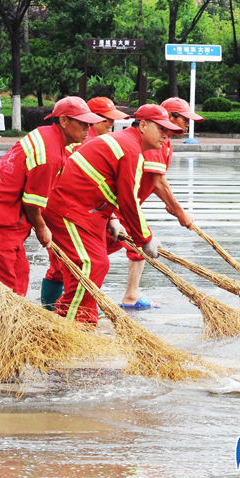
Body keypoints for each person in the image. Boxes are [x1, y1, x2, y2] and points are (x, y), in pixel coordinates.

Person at [0, 96, 104, 346]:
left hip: (10, 222)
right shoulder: (49, 153)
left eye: (89, 123)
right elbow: (32, 203)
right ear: (63, 121)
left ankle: (9, 332)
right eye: (82, 123)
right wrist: (42, 229)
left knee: (19, 276)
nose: (87, 129)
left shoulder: (48, 136)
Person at [42, 104, 183, 326]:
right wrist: (145, 239)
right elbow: (129, 200)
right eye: (161, 129)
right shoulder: (130, 150)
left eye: (168, 130)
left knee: (95, 264)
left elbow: (106, 187)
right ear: (143, 125)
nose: (166, 135)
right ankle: (68, 324)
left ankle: (83, 318)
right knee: (90, 263)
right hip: (68, 208)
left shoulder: (129, 144)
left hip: (87, 211)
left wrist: (112, 219)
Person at [40, 96, 131, 309]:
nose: (111, 124)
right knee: (71, 264)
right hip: (67, 212)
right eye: (106, 119)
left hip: (68, 211)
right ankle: (66, 310)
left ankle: (53, 308)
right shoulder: (86, 143)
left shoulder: (85, 140)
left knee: (61, 265)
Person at [115, 97, 201, 310]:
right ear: (170, 117)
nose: (188, 124)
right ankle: (129, 296)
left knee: (133, 244)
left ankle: (130, 295)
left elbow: (155, 182)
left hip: (127, 203)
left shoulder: (163, 141)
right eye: (184, 119)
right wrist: (180, 212)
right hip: (121, 204)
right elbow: (157, 181)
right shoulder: (153, 142)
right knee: (136, 243)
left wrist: (173, 206)